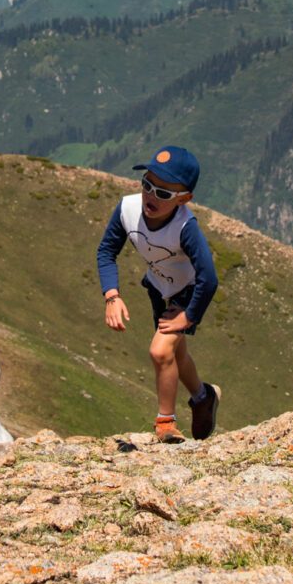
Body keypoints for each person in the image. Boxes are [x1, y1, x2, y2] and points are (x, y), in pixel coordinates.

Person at [97, 145, 220, 443]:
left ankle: (165, 424)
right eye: (147, 185)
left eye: (163, 193)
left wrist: (188, 316)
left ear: (184, 199)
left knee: (160, 351)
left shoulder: (185, 227)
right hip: (158, 289)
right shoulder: (127, 209)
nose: (151, 195)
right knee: (176, 353)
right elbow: (106, 251)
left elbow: (209, 277)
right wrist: (111, 296)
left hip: (186, 293)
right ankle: (204, 397)